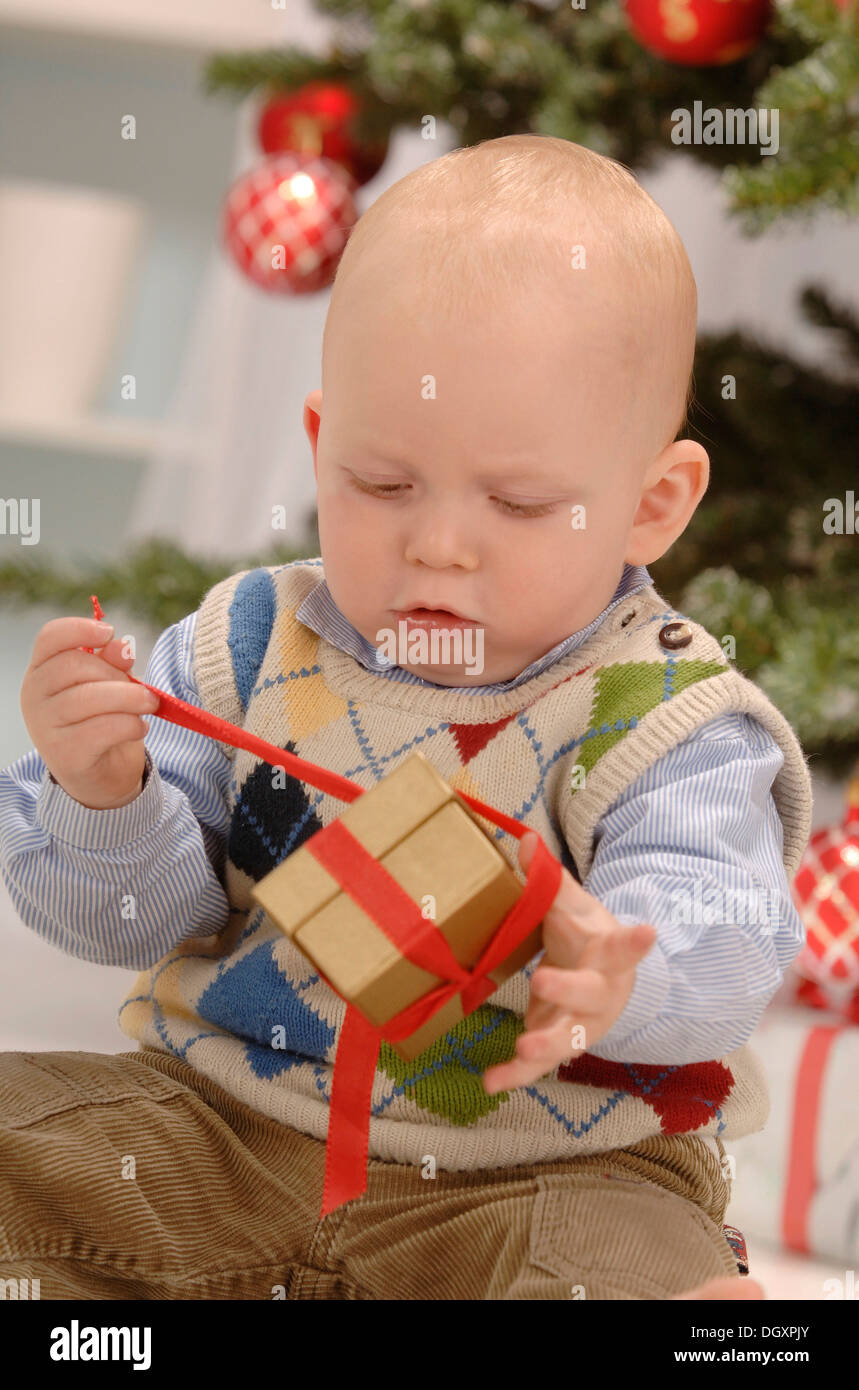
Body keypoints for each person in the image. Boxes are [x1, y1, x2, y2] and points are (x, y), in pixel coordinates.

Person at [0, 135, 812, 1299]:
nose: (437, 541)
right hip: (222, 1132)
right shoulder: (242, 646)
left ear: (652, 505)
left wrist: (627, 974)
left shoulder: (665, 714)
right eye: (383, 484)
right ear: (323, 447)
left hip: (545, 1175)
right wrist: (102, 794)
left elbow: (728, 926)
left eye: (519, 501)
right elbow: (130, 921)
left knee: (636, 1276)